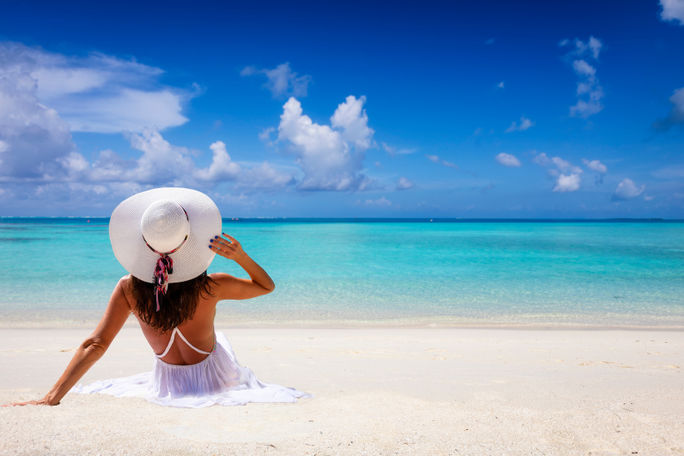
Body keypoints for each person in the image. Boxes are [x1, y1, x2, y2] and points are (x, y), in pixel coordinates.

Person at [7, 187, 310, 408]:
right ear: (188, 241)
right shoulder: (211, 287)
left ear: (144, 242)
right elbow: (265, 286)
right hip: (214, 381)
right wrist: (240, 256)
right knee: (223, 343)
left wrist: (51, 398)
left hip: (167, 384)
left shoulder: (129, 288)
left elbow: (95, 345)